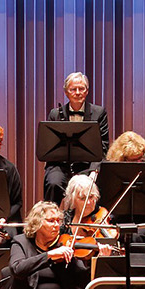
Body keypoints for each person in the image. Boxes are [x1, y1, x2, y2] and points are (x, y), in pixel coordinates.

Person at [43, 72, 110, 211]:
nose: (78, 92)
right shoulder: (55, 114)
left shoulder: (99, 112)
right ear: (66, 92)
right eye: (73, 89)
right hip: (60, 164)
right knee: (53, 183)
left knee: (89, 185)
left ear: (87, 91)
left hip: (87, 165)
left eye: (81, 88)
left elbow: (103, 146)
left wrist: (94, 171)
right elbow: (49, 147)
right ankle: (52, 218)